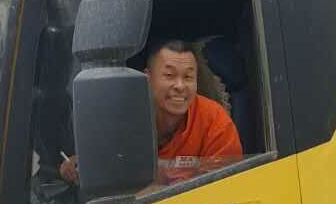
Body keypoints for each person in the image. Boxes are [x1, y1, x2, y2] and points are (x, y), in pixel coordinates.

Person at [60, 39, 242, 185]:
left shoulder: (214, 119)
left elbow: (226, 185)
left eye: (188, 77)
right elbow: (102, 167)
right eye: (169, 75)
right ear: (147, 78)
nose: (180, 86)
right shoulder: (121, 116)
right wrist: (79, 165)